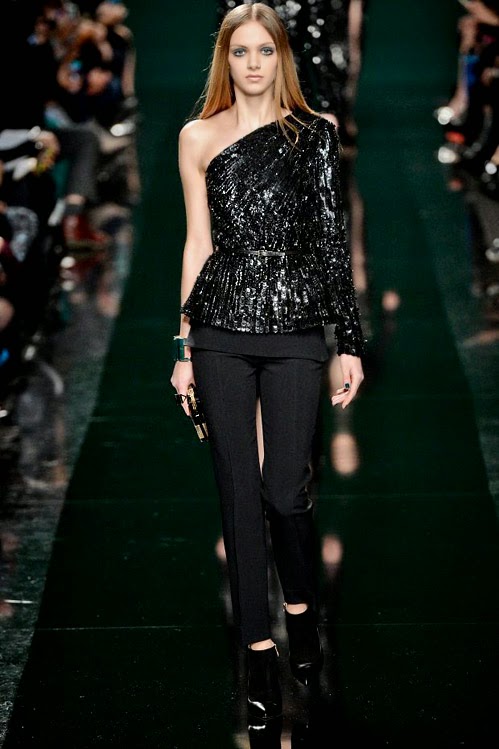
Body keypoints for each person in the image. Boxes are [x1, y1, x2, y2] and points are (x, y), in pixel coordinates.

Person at [170, 1, 365, 722]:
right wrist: (183, 346)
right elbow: (196, 242)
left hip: (295, 329)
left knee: (285, 490)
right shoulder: (197, 136)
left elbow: (330, 241)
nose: (252, 63)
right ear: (224, 58)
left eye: (263, 50)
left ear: (281, 56)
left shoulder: (314, 134)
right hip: (219, 326)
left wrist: (348, 340)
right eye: (240, 51)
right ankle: (256, 651)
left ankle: (301, 609)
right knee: (237, 493)